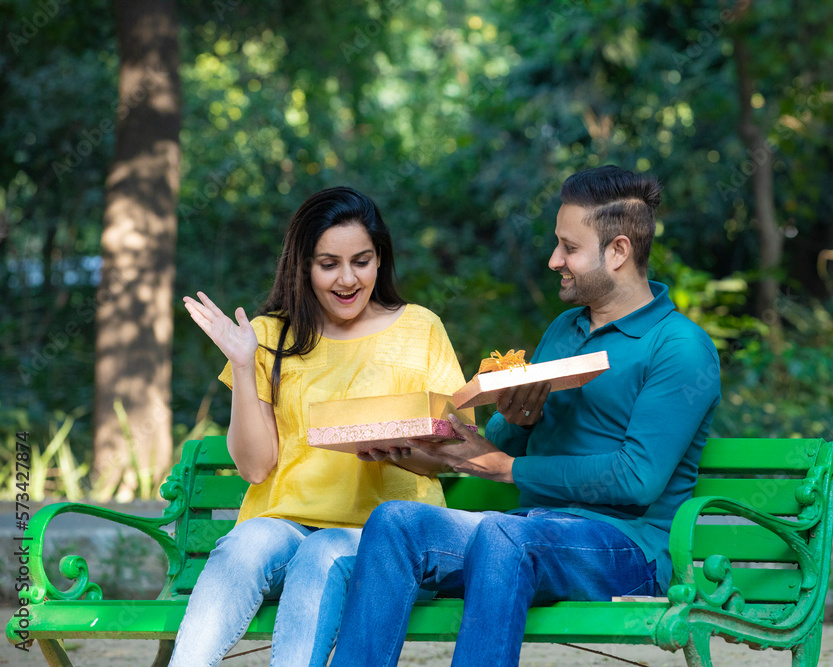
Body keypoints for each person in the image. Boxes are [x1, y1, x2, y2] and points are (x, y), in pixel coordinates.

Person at [328, 165, 722, 666]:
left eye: (569, 247)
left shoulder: (680, 347)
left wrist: (508, 469)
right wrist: (514, 423)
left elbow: (637, 479)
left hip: (626, 546)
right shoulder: (564, 329)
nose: (554, 259)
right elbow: (503, 441)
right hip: (527, 533)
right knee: (395, 523)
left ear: (618, 251)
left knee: (503, 534)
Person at [169, 187, 467, 667]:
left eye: (362, 261)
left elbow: (456, 450)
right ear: (303, 266)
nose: (347, 279)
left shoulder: (420, 328)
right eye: (328, 264)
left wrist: (400, 448)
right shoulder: (268, 335)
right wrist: (244, 367)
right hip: (285, 524)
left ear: (380, 260)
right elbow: (254, 466)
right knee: (243, 542)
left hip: (385, 535)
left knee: (323, 552)